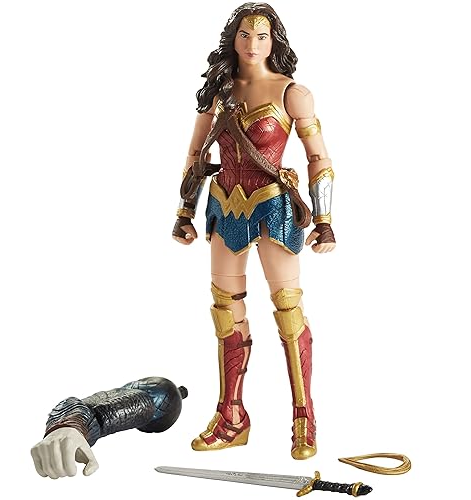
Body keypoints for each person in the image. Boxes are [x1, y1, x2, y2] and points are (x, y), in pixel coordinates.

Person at [172, 2, 335, 460]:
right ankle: (231, 417)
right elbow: (195, 156)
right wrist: (184, 211)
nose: (252, 44)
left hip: (274, 207)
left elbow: (319, 158)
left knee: (288, 309)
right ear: (234, 39)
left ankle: (304, 417)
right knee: (225, 310)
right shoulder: (218, 92)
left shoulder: (292, 93)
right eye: (245, 35)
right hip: (224, 205)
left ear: (272, 41)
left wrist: (325, 220)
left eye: (261, 36)